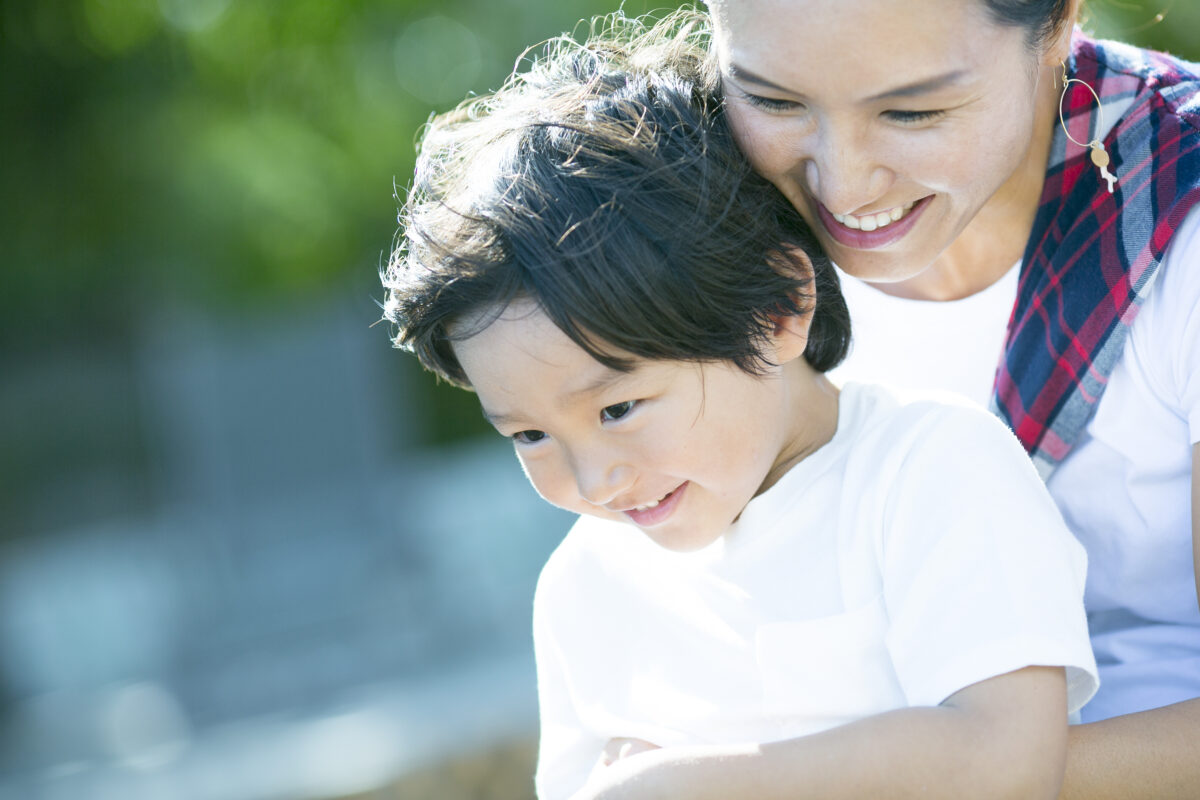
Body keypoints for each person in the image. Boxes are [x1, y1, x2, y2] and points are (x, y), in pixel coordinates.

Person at [381, 23, 1098, 800]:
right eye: (528, 434)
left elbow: (1008, 759)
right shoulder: (585, 588)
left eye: (618, 407)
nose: (594, 479)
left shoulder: (931, 475)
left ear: (780, 309)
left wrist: (702, 784)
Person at [697, 0, 1200, 796]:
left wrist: (805, 784)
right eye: (775, 101)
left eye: (912, 110)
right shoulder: (705, 226)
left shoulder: (1182, 211)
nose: (844, 182)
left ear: (1062, 21)